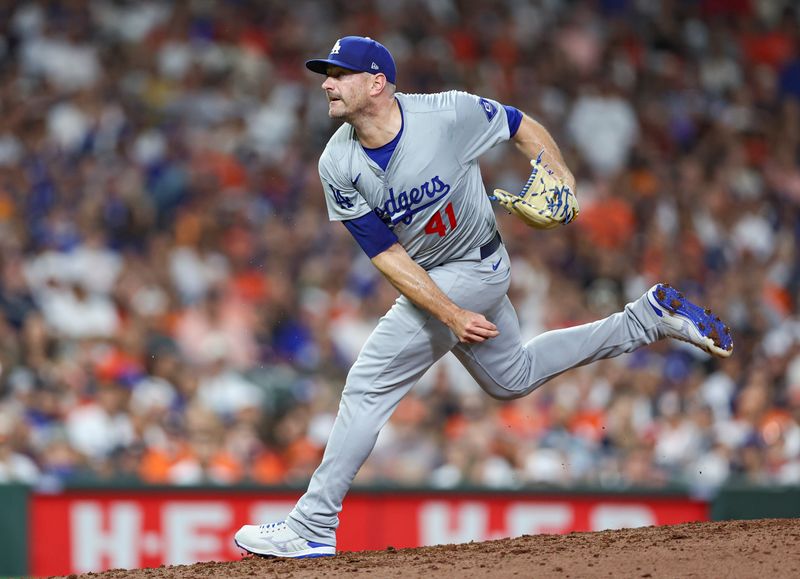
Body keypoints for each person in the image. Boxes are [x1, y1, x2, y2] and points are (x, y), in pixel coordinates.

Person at [234, 36, 733, 558]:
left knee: (367, 385)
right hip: (444, 278)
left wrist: (559, 172)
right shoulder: (336, 161)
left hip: (476, 260)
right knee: (510, 378)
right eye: (326, 74)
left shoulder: (446, 114)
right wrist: (450, 313)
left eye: (339, 74)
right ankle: (646, 319)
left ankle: (313, 524)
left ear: (376, 82)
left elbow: (520, 126)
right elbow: (385, 254)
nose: (327, 84)